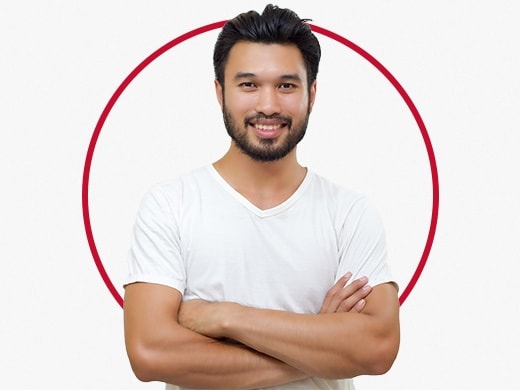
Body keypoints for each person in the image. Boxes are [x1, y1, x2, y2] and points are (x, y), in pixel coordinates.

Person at [123, 4, 400, 389]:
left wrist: (226, 317)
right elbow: (151, 355)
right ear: (220, 92)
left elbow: (376, 348)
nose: (268, 105)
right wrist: (322, 345)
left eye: (286, 85)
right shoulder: (170, 206)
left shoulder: (349, 213)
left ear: (312, 94)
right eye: (248, 84)